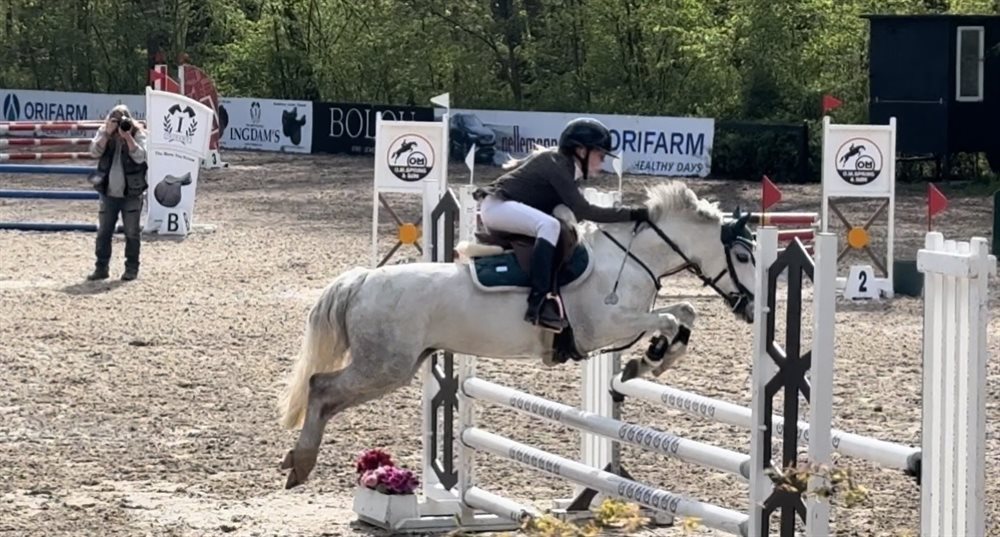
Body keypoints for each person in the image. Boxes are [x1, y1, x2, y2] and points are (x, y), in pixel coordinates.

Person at [475, 117, 650, 332]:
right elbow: (585, 211)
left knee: (556, 228)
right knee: (549, 226)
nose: (602, 162)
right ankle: (539, 301)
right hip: (497, 208)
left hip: (504, 207)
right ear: (581, 151)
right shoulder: (557, 165)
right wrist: (634, 213)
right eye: (600, 155)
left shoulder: (564, 167)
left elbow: (577, 216)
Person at [86, 104, 148, 281]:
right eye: (115, 121)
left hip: (131, 193)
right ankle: (101, 268)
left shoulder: (137, 133)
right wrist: (107, 133)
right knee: (104, 232)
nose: (119, 124)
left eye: (122, 121)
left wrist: (128, 137)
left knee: (132, 233)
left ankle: (131, 269)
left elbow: (141, 157)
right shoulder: (104, 131)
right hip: (108, 192)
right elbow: (94, 152)